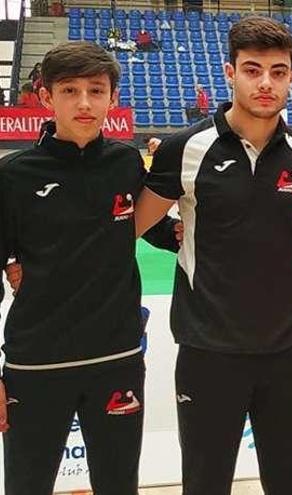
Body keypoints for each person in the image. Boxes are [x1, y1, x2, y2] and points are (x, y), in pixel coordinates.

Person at [132, 17, 292, 494]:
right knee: (206, 485)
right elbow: (133, 225)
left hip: (291, 350)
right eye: (252, 69)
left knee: (290, 484)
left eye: (278, 71)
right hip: (209, 351)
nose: (265, 83)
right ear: (230, 72)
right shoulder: (185, 149)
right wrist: (172, 235)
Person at [0, 41, 180, 495]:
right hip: (35, 365)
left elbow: (159, 230)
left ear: (112, 98)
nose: (84, 103)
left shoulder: (125, 162)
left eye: (96, 90)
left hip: (116, 361)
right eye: (70, 90)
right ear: (46, 98)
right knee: (26, 486)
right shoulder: (12, 175)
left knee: (119, 486)